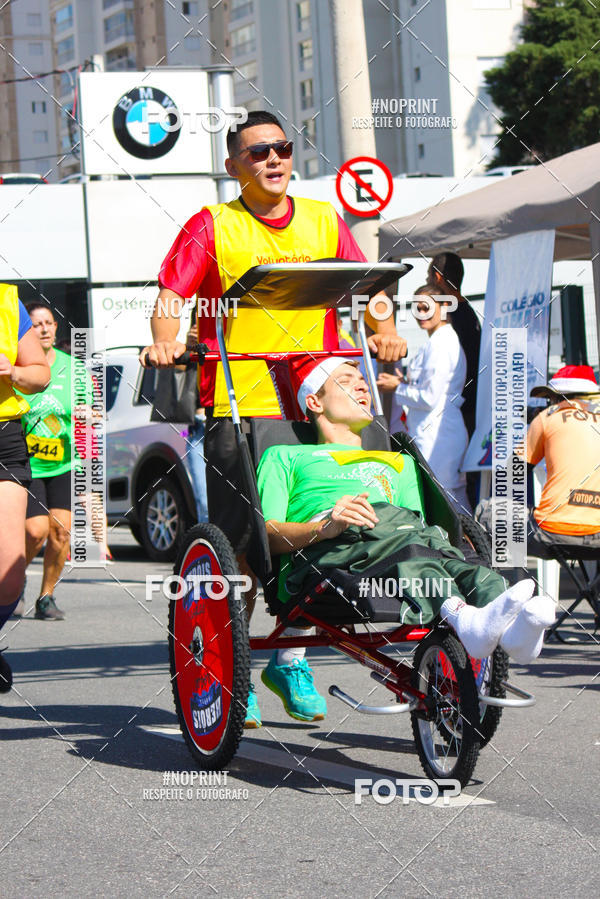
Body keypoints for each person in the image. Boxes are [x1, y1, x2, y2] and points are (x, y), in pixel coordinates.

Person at [141, 109, 407, 726]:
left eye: (281, 149)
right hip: (241, 395)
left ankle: (292, 656)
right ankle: (237, 663)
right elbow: (171, 295)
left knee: (331, 511)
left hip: (318, 394)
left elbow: (366, 286)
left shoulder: (321, 219)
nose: (273, 160)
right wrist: (164, 339)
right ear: (235, 167)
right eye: (257, 153)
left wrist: (386, 329)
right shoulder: (214, 226)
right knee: (250, 537)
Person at [255, 358, 555, 716]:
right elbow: (268, 534)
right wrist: (326, 525)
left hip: (394, 546)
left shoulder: (399, 462)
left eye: (364, 379)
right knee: (408, 543)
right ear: (315, 402)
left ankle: (515, 635)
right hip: (329, 552)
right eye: (347, 379)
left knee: (448, 553)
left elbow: (419, 531)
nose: (363, 386)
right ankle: (464, 616)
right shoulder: (286, 456)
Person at [15, 303, 95, 620]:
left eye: (49, 323)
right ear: (27, 331)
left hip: (64, 463)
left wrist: (87, 415)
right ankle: (12, 580)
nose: (45, 329)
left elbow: (90, 411)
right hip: (27, 463)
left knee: (61, 533)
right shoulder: (20, 367)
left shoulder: (74, 369)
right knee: (35, 531)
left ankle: (45, 597)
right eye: (37, 324)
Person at [377, 285, 470, 512]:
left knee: (448, 504)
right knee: (446, 502)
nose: (421, 314)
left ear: (444, 306)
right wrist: (404, 384)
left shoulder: (441, 343)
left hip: (439, 435)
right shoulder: (437, 341)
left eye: (426, 307)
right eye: (416, 308)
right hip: (433, 431)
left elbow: (429, 398)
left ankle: (472, 546)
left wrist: (396, 387)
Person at [0, 285, 50, 691]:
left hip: (3, 436)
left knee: (10, 573)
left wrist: (13, 372)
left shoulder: (5, 300)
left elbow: (40, 373)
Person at [526, 365, 600, 558]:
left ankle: (500, 586)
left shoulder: (547, 418)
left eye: (551, 399)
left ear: (561, 397)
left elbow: (511, 476)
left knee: (487, 512)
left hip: (553, 532)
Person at [427, 252, 481, 508]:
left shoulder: (449, 319)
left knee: (456, 485)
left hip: (458, 413)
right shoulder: (468, 312)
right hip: (471, 408)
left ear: (436, 278)